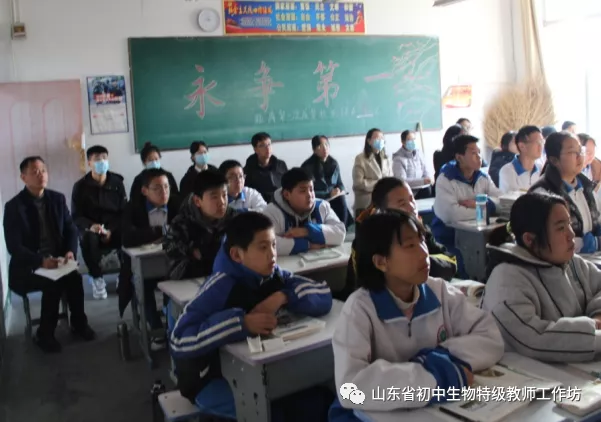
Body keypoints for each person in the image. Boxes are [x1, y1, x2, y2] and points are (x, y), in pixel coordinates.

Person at [328, 211, 504, 420]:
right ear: (381, 262)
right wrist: (433, 377)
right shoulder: (360, 309)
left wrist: (441, 357)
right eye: (410, 246)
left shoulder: (439, 292)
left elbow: (490, 337)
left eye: (422, 241)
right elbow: (350, 389)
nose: (424, 253)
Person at [170, 212, 333, 419]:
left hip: (258, 370)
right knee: (273, 414)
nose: (272, 254)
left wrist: (283, 296)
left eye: (274, 245)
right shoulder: (220, 286)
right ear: (237, 255)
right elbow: (179, 340)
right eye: (263, 248)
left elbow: (323, 293)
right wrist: (241, 323)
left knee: (319, 400)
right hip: (209, 380)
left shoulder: (274, 275)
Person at [483, 193, 601, 363]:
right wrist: (593, 330)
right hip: (527, 373)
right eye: (560, 228)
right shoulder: (507, 280)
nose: (571, 234)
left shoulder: (573, 263)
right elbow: (533, 339)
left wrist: (598, 316)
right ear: (530, 239)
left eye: (569, 224)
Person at [4, 156, 96, 353]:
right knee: (52, 284)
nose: (41, 175)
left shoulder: (57, 199)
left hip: (57, 262)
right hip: (28, 267)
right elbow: (14, 247)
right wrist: (40, 261)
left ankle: (79, 324)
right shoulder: (14, 207)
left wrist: (70, 251)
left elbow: (71, 229)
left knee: (74, 278)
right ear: (23, 177)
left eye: (43, 170)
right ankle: (44, 334)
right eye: (35, 172)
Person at [343, 177, 457, 299]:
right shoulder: (368, 243)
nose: (412, 207)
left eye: (412, 199)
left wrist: (420, 262)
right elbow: (366, 285)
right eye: (402, 204)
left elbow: (451, 262)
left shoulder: (419, 231)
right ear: (382, 212)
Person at [119, 169, 181, 349]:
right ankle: (155, 328)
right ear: (144, 191)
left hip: (173, 263)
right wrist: (162, 231)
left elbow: (184, 230)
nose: (164, 192)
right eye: (157, 188)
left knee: (178, 280)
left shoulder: (177, 203)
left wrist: (147, 235)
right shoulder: (133, 208)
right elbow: (128, 238)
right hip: (144, 265)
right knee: (143, 285)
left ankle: (173, 324)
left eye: (167, 187)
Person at [432, 135, 501, 276]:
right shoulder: (446, 179)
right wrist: (485, 210)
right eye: (473, 153)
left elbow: (500, 201)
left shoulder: (482, 176)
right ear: (459, 157)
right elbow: (452, 214)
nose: (479, 157)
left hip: (478, 234)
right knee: (462, 263)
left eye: (479, 152)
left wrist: (479, 205)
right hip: (449, 236)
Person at [529, 131, 601, 253]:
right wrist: (591, 243)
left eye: (580, 150)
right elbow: (550, 240)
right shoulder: (543, 193)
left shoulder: (587, 188)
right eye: (572, 152)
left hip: (591, 259)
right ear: (554, 160)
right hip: (562, 262)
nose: (579, 156)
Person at [71, 145, 127, 300]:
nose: (101, 162)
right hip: (92, 228)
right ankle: (97, 277)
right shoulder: (80, 186)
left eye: (104, 158)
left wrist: (110, 230)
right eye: (97, 159)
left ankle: (124, 275)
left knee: (128, 232)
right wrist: (91, 226)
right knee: (87, 238)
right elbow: (76, 215)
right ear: (89, 163)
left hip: (113, 226)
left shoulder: (117, 182)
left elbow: (123, 211)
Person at [163, 170, 238, 280]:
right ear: (197, 201)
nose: (222, 202)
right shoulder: (182, 222)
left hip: (225, 278)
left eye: (224, 195)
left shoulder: (233, 218)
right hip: (187, 282)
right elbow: (172, 253)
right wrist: (193, 252)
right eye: (214, 197)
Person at [263, 168, 346, 256]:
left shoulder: (322, 206)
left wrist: (307, 231)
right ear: (287, 195)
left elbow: (340, 233)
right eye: (303, 191)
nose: (309, 195)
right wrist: (309, 245)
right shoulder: (272, 212)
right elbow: (268, 243)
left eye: (311, 189)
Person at [301, 135, 352, 227]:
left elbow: (340, 183)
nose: (324, 148)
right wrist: (328, 194)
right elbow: (306, 191)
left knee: (341, 199)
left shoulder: (334, 163)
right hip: (317, 199)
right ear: (314, 150)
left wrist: (339, 190)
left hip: (333, 197)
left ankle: (342, 228)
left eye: (326, 145)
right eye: (320, 146)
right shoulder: (307, 166)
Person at [352, 128, 392, 214]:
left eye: (382, 138)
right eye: (377, 138)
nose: (380, 141)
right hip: (366, 201)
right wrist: (380, 184)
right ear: (369, 141)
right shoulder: (360, 159)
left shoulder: (386, 158)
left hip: (384, 200)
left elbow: (390, 179)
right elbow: (358, 183)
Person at [244, 132, 288, 203]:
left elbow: (288, 185)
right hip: (260, 204)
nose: (267, 148)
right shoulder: (249, 169)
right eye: (262, 145)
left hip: (281, 202)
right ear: (255, 149)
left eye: (269, 144)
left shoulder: (280, 165)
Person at [498, 126, 543, 193]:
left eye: (542, 142)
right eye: (537, 142)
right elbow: (510, 198)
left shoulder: (541, 169)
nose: (541, 146)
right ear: (522, 146)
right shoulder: (507, 171)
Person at [392, 130, 433, 199]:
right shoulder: (398, 159)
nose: (413, 142)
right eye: (409, 140)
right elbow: (402, 181)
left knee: (433, 188)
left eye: (414, 139)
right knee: (427, 191)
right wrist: (422, 181)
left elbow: (425, 171)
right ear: (403, 142)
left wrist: (428, 179)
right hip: (409, 192)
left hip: (422, 188)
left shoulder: (419, 153)